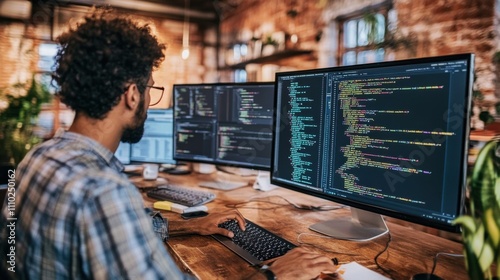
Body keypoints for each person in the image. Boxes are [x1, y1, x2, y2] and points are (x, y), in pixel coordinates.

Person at [0, 8, 337, 279]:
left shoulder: (36, 158)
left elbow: (114, 231)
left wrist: (188, 225)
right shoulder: (105, 191)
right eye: (150, 87)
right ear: (132, 94)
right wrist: (275, 274)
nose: (149, 97)